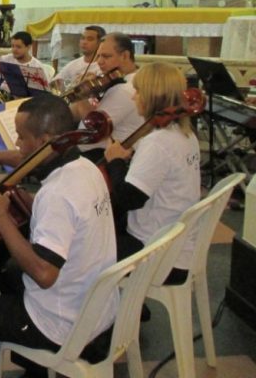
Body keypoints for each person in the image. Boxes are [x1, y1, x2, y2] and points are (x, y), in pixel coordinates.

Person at [0, 95, 117, 377]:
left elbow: (44, 274)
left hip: (60, 324)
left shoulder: (57, 193)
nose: (16, 143)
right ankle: (35, 368)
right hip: (97, 307)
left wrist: (0, 218)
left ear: (44, 141)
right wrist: (23, 195)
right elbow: (68, 213)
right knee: (8, 271)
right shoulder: (87, 168)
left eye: (20, 137)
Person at [104, 62, 200, 282]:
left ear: (151, 97)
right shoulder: (186, 134)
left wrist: (115, 161)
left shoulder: (158, 142)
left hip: (155, 252)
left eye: (138, 91)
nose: (133, 97)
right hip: (178, 246)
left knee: (85, 246)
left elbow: (129, 199)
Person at [72, 32, 144, 163]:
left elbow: (87, 133)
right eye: (98, 56)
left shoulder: (125, 89)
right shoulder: (137, 77)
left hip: (103, 159)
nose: (99, 62)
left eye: (106, 56)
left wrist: (81, 97)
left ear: (125, 55)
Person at [51, 25, 105, 93]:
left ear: (100, 43)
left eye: (90, 39)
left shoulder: (104, 65)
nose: (84, 42)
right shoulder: (73, 64)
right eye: (82, 38)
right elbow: (55, 84)